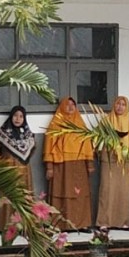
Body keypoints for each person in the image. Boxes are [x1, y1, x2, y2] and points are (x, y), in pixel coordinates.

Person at [44, 97, 94, 231]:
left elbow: (87, 145)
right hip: (61, 165)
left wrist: (89, 164)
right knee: (62, 192)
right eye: (67, 104)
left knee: (79, 194)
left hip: (79, 165)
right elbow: (49, 145)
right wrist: (49, 167)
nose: (71, 107)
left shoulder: (80, 124)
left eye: (73, 104)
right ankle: (60, 224)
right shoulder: (55, 124)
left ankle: (81, 224)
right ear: (61, 107)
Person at [0, 105, 35, 234]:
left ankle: (24, 227)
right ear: (11, 117)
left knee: (24, 197)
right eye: (15, 116)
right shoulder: (3, 133)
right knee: (7, 197)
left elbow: (33, 149)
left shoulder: (28, 134)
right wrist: (1, 164)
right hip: (8, 171)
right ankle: (7, 227)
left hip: (24, 172)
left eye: (21, 116)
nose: (18, 119)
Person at [95, 96, 129, 231]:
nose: (120, 107)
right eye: (118, 104)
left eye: (123, 104)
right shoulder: (106, 121)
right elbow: (97, 138)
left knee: (123, 191)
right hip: (109, 159)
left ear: (127, 107)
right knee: (107, 190)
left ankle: (123, 222)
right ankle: (103, 222)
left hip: (124, 160)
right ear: (114, 105)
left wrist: (124, 150)